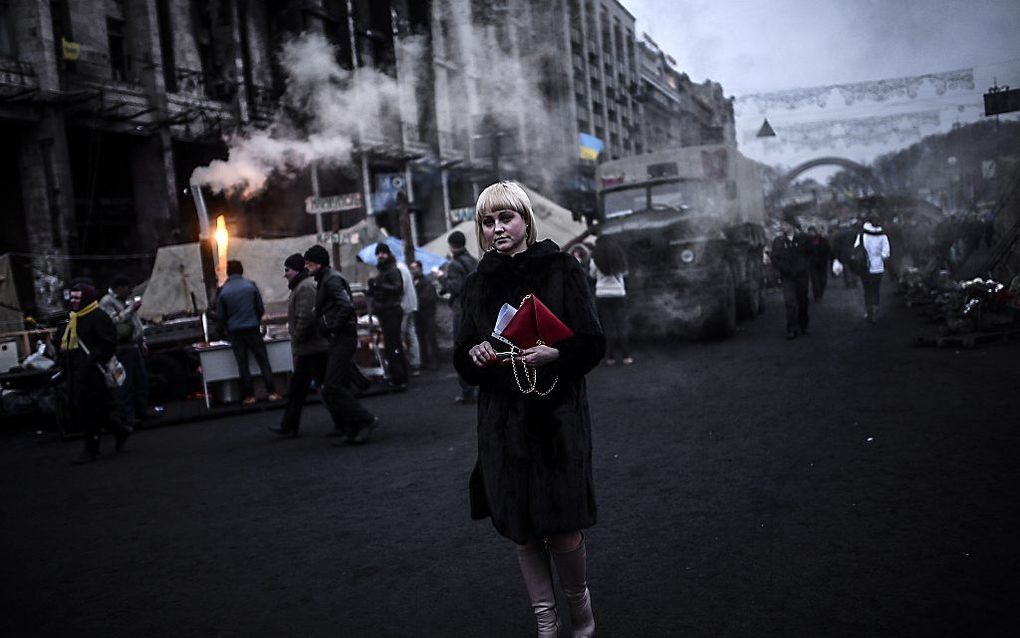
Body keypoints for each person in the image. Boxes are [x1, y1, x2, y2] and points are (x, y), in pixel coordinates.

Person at [453, 181, 605, 638]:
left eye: (505, 218)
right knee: (521, 528)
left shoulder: (562, 269)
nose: (497, 228)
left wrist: (557, 354)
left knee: (562, 526)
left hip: (556, 422)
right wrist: (474, 355)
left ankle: (579, 605)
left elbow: (594, 343)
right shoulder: (476, 283)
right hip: (503, 425)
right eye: (488, 221)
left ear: (525, 220)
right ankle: (545, 617)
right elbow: (462, 354)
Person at [304, 245, 378, 445]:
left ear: (318, 263)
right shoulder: (326, 279)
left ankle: (364, 420)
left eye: (309, 262)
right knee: (338, 384)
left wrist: (333, 327)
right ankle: (353, 427)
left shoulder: (330, 280)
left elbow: (345, 305)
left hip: (342, 338)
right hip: (340, 337)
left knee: (332, 386)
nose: (306, 266)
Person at [60, 280, 132, 463]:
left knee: (89, 411)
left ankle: (91, 448)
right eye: (73, 297)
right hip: (78, 372)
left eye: (78, 297)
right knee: (96, 410)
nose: (74, 301)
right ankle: (120, 431)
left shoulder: (97, 316)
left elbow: (108, 343)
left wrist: (93, 357)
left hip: (93, 373)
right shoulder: (73, 318)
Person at [269, 254, 329, 438]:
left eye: (287, 270)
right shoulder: (303, 286)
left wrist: (297, 337)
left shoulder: (304, 288)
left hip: (311, 348)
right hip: (311, 348)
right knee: (306, 389)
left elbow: (306, 318)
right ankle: (289, 425)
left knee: (311, 389)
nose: (285, 274)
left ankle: (290, 425)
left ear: (296, 270)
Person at [216, 260, 280, 405]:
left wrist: (227, 327)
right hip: (252, 329)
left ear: (228, 272)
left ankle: (249, 396)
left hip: (235, 332)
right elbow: (260, 308)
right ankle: (272, 392)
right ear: (242, 271)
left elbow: (221, 316)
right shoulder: (250, 286)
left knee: (243, 364)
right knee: (263, 361)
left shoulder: (223, 291)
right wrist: (255, 321)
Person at [99, 275, 151, 426]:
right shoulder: (107, 302)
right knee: (124, 383)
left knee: (141, 380)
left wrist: (143, 341)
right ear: (119, 288)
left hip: (134, 345)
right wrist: (130, 309)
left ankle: (142, 411)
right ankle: (127, 416)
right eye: (127, 288)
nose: (129, 291)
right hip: (122, 348)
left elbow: (136, 322)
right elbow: (113, 322)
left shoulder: (126, 300)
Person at [442, 229, 478, 404]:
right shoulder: (473, 261)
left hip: (460, 310)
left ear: (451, 246)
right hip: (475, 310)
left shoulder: (454, 265)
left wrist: (442, 279)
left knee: (461, 350)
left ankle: (467, 389)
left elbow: (456, 287)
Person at [368, 243, 409, 389]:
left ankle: (399, 376)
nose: (380, 256)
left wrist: (379, 286)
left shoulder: (392, 270)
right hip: (386, 310)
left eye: (383, 253)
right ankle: (400, 375)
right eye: (378, 253)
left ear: (388, 254)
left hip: (391, 310)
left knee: (393, 345)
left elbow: (398, 288)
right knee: (393, 344)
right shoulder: (384, 270)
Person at [589, 235, 632, 365]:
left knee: (608, 327)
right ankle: (626, 356)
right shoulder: (619, 257)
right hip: (619, 295)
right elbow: (625, 273)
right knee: (621, 325)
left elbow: (592, 275)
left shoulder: (595, 258)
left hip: (602, 295)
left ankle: (610, 357)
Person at [771, 218, 811, 339]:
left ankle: (803, 324)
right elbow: (774, 257)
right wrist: (781, 268)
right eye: (782, 225)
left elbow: (810, 254)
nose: (783, 227)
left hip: (801, 276)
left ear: (793, 226)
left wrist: (804, 266)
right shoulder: (778, 241)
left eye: (786, 224)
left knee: (802, 301)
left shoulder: (803, 239)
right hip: (787, 276)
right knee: (790, 303)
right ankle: (791, 329)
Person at [854, 216, 892, 324]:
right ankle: (875, 312)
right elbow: (886, 254)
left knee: (867, 290)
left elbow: (856, 248)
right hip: (878, 267)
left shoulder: (862, 235)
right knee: (875, 290)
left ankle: (868, 311)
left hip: (864, 267)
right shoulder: (883, 236)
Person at [411, 260, 440, 371]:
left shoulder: (426, 282)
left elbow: (429, 298)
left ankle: (434, 361)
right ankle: (425, 360)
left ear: (420, 268)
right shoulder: (415, 281)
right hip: (419, 314)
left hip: (427, 314)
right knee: (421, 338)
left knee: (431, 338)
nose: (413, 270)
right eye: (412, 268)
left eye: (415, 268)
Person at [395, 258, 421, 375]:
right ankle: (415, 363)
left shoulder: (398, 268)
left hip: (404, 306)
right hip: (411, 305)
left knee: (401, 335)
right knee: (411, 334)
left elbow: (401, 287)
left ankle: (405, 365)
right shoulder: (402, 266)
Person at [806, 226, 833, 302]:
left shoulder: (822, 240)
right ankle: (817, 295)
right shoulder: (807, 241)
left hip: (822, 262)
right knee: (815, 280)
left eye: (812, 232)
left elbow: (829, 250)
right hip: (812, 263)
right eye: (810, 232)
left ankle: (820, 293)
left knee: (823, 280)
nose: (811, 233)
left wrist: (829, 258)